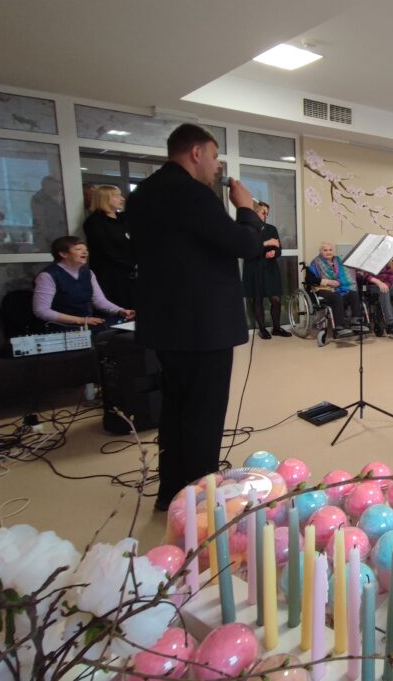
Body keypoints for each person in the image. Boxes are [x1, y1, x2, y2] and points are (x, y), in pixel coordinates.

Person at [126, 123, 275, 511]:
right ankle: (199, 503)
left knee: (176, 409)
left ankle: (171, 493)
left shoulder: (143, 194)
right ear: (196, 153)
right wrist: (247, 209)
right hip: (203, 324)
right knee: (204, 415)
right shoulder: (193, 193)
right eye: (214, 156)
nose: (217, 165)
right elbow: (244, 244)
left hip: (165, 322)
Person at [32, 235, 135, 330]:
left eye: (86, 250)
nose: (85, 252)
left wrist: (120, 310)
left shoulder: (88, 273)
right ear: (63, 254)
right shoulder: (47, 276)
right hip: (61, 326)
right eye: (78, 249)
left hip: (86, 323)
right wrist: (81, 320)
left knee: (129, 325)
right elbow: (41, 311)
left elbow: (99, 301)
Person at [240, 201, 289, 339]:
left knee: (276, 299)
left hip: (270, 268)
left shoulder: (271, 229)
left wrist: (275, 252)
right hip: (254, 268)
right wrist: (266, 244)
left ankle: (277, 328)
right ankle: (262, 329)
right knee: (257, 299)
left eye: (267, 213)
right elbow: (247, 249)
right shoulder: (246, 229)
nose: (266, 216)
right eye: (263, 213)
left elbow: (279, 248)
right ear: (255, 212)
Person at [82, 184, 136, 306]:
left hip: (129, 274)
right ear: (105, 199)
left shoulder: (123, 219)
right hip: (110, 275)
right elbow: (107, 249)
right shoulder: (95, 222)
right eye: (117, 196)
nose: (122, 199)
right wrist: (132, 263)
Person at [307, 242, 365, 337]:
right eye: (325, 250)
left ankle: (356, 321)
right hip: (324, 289)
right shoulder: (316, 262)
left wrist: (359, 272)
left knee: (353, 294)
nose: (328, 252)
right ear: (320, 251)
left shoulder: (339, 261)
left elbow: (349, 271)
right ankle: (339, 327)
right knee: (336, 297)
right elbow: (309, 279)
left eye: (330, 250)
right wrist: (328, 281)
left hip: (340, 288)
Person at [30, 175, 67, 251]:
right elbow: (39, 220)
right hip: (48, 239)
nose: (59, 187)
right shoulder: (39, 199)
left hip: (64, 237)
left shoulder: (64, 196)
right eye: (57, 185)